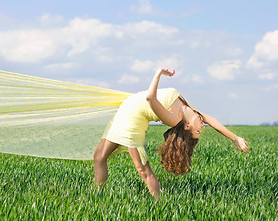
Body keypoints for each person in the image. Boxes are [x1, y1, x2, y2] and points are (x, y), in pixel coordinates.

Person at [93, 68, 249, 200]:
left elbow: (150, 98)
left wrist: (158, 73)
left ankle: (159, 203)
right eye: (200, 130)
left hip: (132, 120)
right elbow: (211, 120)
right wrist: (235, 138)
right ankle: (98, 197)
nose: (203, 127)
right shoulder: (190, 109)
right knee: (99, 156)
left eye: (197, 131)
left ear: (187, 126)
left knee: (143, 169)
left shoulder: (173, 118)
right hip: (127, 106)